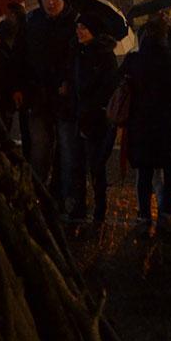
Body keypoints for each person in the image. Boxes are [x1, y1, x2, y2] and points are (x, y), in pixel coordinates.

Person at [125, 15, 171, 227]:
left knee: (144, 173)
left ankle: (144, 214)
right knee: (170, 170)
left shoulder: (134, 60)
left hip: (141, 123)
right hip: (168, 124)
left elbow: (121, 86)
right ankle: (164, 212)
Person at [16, 0, 78, 188]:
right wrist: (21, 87)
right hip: (38, 96)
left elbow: (78, 60)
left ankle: (62, 193)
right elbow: (21, 56)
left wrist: (69, 81)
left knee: (66, 150)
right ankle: (37, 192)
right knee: (39, 148)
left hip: (64, 99)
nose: (51, 3)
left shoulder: (75, 25)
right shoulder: (32, 22)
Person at [58, 12, 120, 223]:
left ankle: (100, 208)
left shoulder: (105, 56)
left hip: (95, 118)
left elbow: (108, 87)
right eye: (78, 28)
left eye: (83, 28)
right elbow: (72, 78)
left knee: (96, 165)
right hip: (77, 113)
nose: (79, 32)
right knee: (77, 163)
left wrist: (93, 109)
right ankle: (79, 206)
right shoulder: (77, 52)